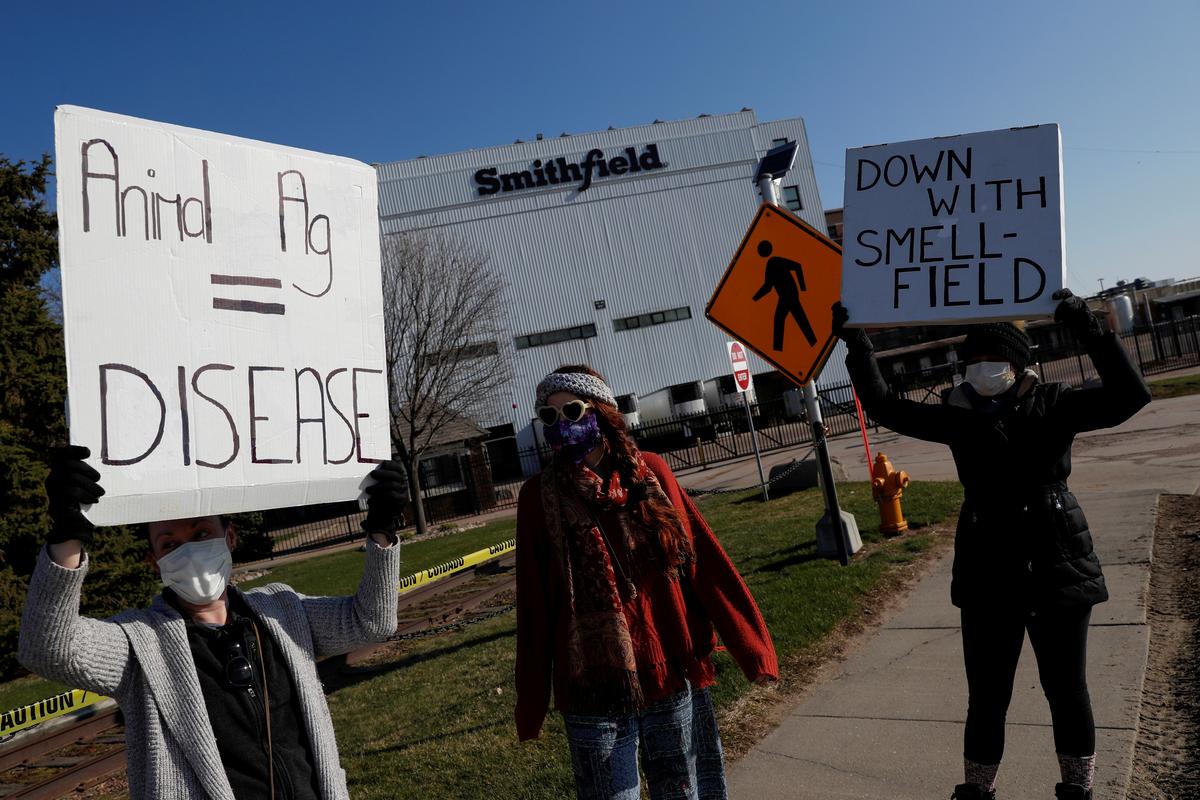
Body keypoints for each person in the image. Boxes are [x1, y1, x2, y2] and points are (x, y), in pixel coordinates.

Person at [831, 290, 1152, 800]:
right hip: (987, 569)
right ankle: (977, 791)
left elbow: (1129, 396)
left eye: (995, 360)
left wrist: (1090, 330)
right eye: (975, 361)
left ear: (1018, 365)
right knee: (987, 697)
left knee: (1067, 692)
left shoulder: (1053, 405)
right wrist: (857, 345)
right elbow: (884, 405)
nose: (984, 369)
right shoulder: (958, 416)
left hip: (1057, 563)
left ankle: (1078, 789)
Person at [19, 446, 408, 800]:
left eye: (202, 533)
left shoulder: (284, 610)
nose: (188, 551)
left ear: (230, 537)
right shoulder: (140, 643)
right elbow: (48, 649)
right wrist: (66, 540)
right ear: (155, 562)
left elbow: (370, 622)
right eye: (169, 544)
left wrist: (383, 533)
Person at [514, 365, 779, 800]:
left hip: (668, 668)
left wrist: (752, 648)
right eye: (549, 416)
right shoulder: (537, 499)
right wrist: (531, 703)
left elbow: (703, 564)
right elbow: (535, 607)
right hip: (591, 687)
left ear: (602, 413)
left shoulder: (651, 474)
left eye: (573, 411)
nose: (562, 424)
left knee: (683, 792)